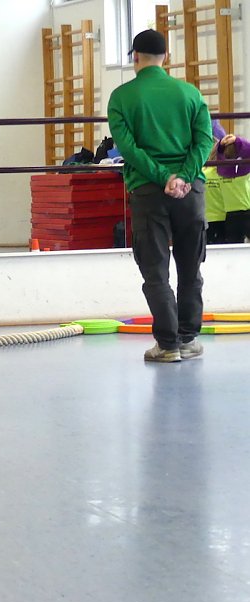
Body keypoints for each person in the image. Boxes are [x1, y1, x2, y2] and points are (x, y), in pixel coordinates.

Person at [107, 29, 212, 362]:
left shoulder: (121, 97)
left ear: (135, 57)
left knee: (155, 269)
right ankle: (188, 338)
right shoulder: (190, 94)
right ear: (166, 58)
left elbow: (128, 149)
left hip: (148, 192)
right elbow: (204, 141)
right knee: (190, 266)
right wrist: (182, 176)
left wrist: (163, 176)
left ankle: (167, 345)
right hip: (190, 191)